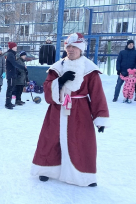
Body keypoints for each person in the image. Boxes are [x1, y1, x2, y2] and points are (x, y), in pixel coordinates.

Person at [31, 33, 110, 187]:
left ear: (81, 49)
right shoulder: (57, 67)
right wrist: (59, 81)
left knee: (81, 142)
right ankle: (46, 170)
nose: (71, 50)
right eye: (68, 47)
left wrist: (100, 118)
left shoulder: (90, 70)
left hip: (80, 112)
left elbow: (97, 94)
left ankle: (84, 175)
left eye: (74, 47)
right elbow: (47, 88)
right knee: (51, 139)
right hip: (57, 110)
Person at [4, 42, 26, 109]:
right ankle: (7, 103)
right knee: (10, 89)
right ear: (12, 47)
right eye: (15, 46)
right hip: (10, 74)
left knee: (11, 88)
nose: (16, 47)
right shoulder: (10, 54)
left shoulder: (12, 54)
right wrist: (22, 67)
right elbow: (14, 64)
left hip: (12, 74)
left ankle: (9, 102)